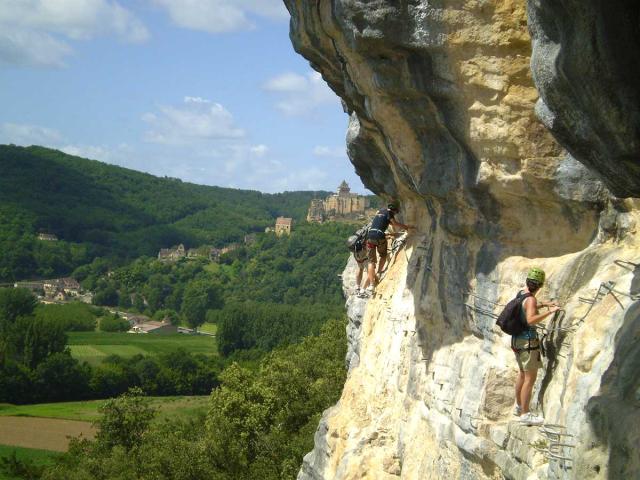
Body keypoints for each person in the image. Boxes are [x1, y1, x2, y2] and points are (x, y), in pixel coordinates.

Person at [513, 267, 559, 426]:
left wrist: (544, 304)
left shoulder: (521, 293)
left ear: (527, 282)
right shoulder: (531, 299)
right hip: (528, 342)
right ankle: (525, 415)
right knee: (530, 379)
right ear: (540, 285)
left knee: (522, 374)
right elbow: (531, 319)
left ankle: (519, 406)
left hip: (517, 340)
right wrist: (550, 311)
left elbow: (527, 306)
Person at [360, 202, 411, 297]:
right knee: (383, 255)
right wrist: (406, 227)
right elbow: (394, 224)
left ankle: (371, 285)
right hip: (379, 236)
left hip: (370, 236)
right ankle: (379, 272)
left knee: (371, 262)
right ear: (394, 211)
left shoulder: (380, 212)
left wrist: (389, 234)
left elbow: (381, 224)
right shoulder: (389, 213)